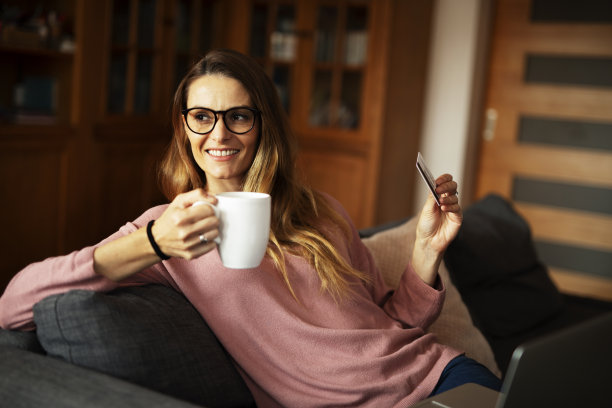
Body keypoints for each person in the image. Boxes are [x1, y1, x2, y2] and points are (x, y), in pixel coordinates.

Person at [0, 49, 500, 407]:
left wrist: (425, 252)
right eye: (202, 117)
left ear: (262, 125)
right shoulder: (168, 229)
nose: (219, 134)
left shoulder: (321, 210)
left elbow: (395, 326)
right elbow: (13, 303)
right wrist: (151, 243)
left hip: (441, 373)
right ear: (184, 127)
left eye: (238, 116)